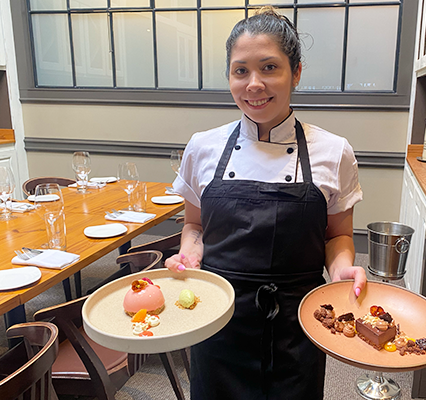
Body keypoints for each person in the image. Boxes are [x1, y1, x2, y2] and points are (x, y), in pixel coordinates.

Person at [166, 7, 366, 399]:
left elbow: (337, 236)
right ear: (229, 77)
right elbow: (195, 227)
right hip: (217, 320)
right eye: (241, 71)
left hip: (298, 325)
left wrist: (342, 269)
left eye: (269, 67)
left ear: (297, 72)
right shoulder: (202, 146)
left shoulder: (334, 152)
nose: (253, 84)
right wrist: (188, 255)